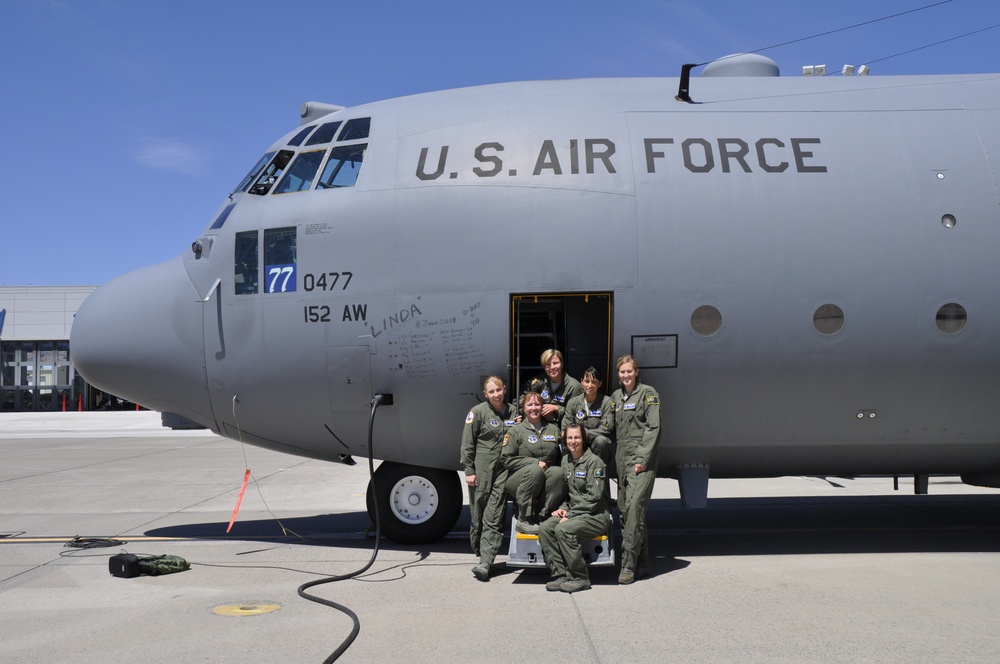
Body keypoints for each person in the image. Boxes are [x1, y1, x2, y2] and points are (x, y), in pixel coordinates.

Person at [538, 423, 611, 593]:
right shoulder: (566, 461)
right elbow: (567, 494)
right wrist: (563, 509)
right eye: (570, 438)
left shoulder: (595, 463)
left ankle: (579, 577)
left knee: (564, 530)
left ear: (583, 439)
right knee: (546, 528)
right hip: (575, 513)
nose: (573, 441)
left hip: (595, 515)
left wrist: (570, 514)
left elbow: (594, 498)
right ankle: (560, 574)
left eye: (577, 437)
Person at [460, 375, 518, 582]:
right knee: (478, 516)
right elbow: (467, 444)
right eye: (491, 392)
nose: (496, 394)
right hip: (481, 472)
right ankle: (478, 549)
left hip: (502, 472)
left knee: (494, 516)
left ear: (505, 389)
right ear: (486, 394)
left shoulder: (513, 412)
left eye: (499, 390)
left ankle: (486, 562)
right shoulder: (477, 413)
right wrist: (469, 471)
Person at [610, 354, 661, 584]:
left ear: (636, 371)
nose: (626, 375)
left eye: (629, 371)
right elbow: (606, 425)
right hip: (623, 462)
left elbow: (654, 427)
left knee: (633, 511)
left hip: (642, 462)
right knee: (626, 512)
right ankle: (643, 563)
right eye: (622, 372)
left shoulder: (648, 394)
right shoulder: (616, 397)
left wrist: (642, 458)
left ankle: (628, 566)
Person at [501, 391, 566, 534]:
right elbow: (506, 459)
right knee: (535, 470)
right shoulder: (515, 431)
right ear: (524, 408)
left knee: (557, 472)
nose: (534, 408)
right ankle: (524, 519)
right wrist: (535, 462)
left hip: (544, 479)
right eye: (529, 405)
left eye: (537, 404)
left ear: (542, 407)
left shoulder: (553, 429)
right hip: (519, 481)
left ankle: (544, 515)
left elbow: (561, 457)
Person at [561, 366, 614, 466]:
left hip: (596, 443)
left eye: (594, 382)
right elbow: (566, 426)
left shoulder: (607, 402)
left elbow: (606, 429)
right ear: (582, 382)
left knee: (601, 441)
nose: (590, 385)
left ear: (600, 383)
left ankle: (598, 472)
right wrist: (576, 437)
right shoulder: (573, 402)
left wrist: (583, 434)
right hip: (576, 442)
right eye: (587, 381)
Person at [523, 349, 583, 425]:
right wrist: (540, 409)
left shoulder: (574, 386)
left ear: (562, 364)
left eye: (555, 363)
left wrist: (557, 408)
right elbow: (522, 400)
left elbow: (579, 412)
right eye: (548, 365)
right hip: (538, 424)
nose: (552, 367)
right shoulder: (538, 382)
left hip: (564, 427)